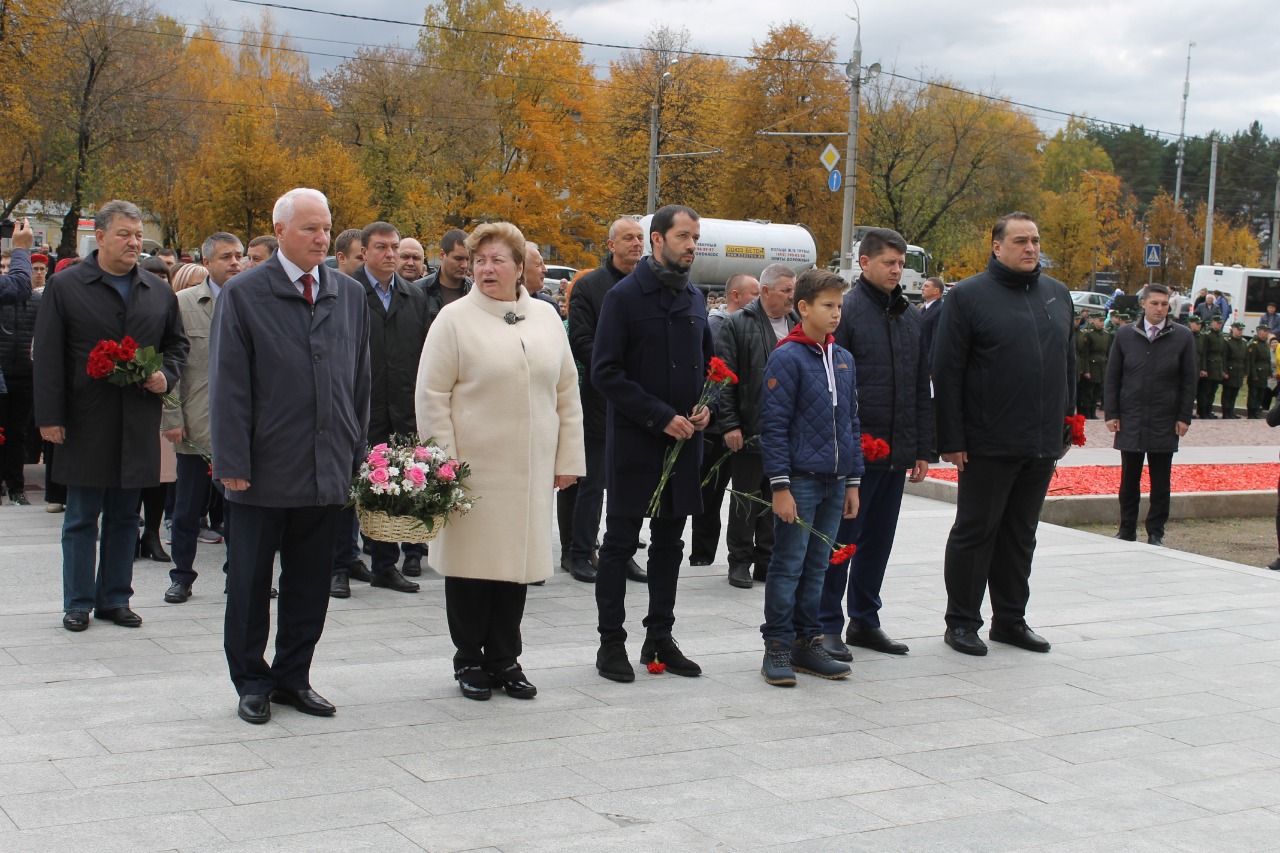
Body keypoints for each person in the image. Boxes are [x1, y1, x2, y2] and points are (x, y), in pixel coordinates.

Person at [210, 188, 370, 724]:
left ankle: (293, 677)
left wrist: (356, 455)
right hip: (262, 470)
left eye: (326, 227)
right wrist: (232, 463)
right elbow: (228, 385)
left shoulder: (348, 294)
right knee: (250, 583)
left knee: (309, 583)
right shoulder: (245, 293)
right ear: (280, 231)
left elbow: (360, 381)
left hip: (327, 467)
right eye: (309, 228)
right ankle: (251, 681)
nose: (322, 238)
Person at [415, 221, 584, 700]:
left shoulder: (545, 317)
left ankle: (506, 658)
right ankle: (469, 659)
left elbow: (567, 391)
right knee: (471, 568)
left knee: (516, 567)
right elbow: (431, 396)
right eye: (479, 261)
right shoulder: (453, 320)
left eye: (497, 260)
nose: (487, 269)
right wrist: (444, 465)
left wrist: (568, 458)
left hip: (529, 470)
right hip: (473, 470)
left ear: (519, 267)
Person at [33, 202, 188, 631]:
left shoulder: (157, 290)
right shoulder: (66, 286)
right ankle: (78, 602)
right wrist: (49, 417)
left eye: (138, 235)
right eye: (124, 234)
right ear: (99, 237)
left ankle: (115, 598)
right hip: (85, 420)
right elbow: (48, 355)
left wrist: (165, 375)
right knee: (82, 517)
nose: (134, 242)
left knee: (125, 516)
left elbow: (177, 346)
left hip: (137, 420)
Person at [931, 211, 1073, 657]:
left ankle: (1010, 620)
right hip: (987, 441)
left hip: (1041, 441)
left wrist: (1067, 422)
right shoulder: (968, 296)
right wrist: (952, 438)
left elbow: (1067, 363)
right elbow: (946, 369)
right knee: (976, 532)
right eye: (1020, 241)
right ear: (996, 246)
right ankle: (962, 622)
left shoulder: (1058, 294)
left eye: (1035, 240)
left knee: (1021, 534)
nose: (1031, 248)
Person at [591, 205, 712, 682]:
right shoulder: (623, 297)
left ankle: (659, 637)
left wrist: (707, 408)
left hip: (684, 445)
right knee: (620, 543)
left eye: (695, 237)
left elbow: (709, 366)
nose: (691, 245)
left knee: (669, 543)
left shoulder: (696, 298)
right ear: (657, 239)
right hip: (636, 442)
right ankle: (610, 643)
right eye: (683, 236)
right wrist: (660, 416)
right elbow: (605, 372)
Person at [820, 228, 931, 660]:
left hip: (895, 452)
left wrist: (921, 448)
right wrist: (843, 447)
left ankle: (865, 620)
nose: (896, 270)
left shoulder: (910, 317)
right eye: (889, 262)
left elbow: (920, 386)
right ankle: (827, 624)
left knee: (878, 542)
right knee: (841, 541)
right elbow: (833, 387)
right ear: (864, 263)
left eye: (900, 263)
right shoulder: (845, 312)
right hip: (855, 453)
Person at [759, 269, 862, 686]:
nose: (836, 313)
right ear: (803, 308)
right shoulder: (787, 357)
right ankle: (777, 646)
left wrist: (853, 480)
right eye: (827, 305)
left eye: (839, 305)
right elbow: (774, 426)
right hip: (799, 480)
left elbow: (851, 421)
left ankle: (807, 642)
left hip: (835, 482)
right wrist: (780, 485)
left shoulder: (843, 358)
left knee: (817, 566)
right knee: (788, 565)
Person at [333, 220, 429, 598]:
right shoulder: (344, 291)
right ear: (364, 252)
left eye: (394, 247)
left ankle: (385, 565)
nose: (390, 254)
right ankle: (340, 565)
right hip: (356, 409)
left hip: (400, 410)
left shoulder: (413, 296)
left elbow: (421, 354)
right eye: (381, 247)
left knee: (392, 487)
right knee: (348, 490)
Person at [161, 232, 242, 603]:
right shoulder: (182, 303)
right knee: (187, 510)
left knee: (239, 509)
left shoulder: (253, 300)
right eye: (226, 256)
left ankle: (239, 575)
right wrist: (172, 416)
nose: (235, 262)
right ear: (206, 262)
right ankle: (182, 576)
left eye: (238, 255)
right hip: (195, 426)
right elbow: (171, 365)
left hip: (239, 428)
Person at [567, 217, 647, 584]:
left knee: (630, 485)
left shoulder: (648, 284)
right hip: (601, 401)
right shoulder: (590, 287)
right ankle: (580, 552)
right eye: (628, 237)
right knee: (593, 482)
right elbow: (581, 341)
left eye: (640, 237)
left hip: (641, 404)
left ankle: (623, 552)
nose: (636, 243)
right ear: (611, 245)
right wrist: (619, 369)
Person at [716, 264, 799, 589]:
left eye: (793, 290)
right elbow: (724, 378)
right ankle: (739, 561)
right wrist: (730, 424)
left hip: (786, 433)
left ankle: (766, 560)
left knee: (775, 495)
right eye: (786, 290)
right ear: (765, 291)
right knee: (745, 500)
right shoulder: (738, 323)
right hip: (749, 429)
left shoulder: (797, 323)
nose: (792, 296)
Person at [1103, 284, 1196, 547]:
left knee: (1161, 481)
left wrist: (1184, 417)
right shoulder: (1125, 335)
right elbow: (1113, 377)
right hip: (1131, 418)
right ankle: (1126, 529)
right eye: (1154, 303)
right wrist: (1112, 413)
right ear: (1143, 304)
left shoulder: (1182, 336)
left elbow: (1189, 381)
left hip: (1164, 418)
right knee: (1129, 480)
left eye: (1164, 304)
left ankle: (1156, 532)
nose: (1159, 309)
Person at [690, 272, 760, 566]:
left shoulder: (756, 325)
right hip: (717, 427)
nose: (759, 298)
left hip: (746, 425)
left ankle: (745, 553)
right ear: (736, 296)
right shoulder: (717, 325)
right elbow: (716, 376)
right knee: (710, 492)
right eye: (755, 293)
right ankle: (702, 554)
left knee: (747, 494)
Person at [0, 220, 36, 505]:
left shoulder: (37, 301)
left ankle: (15, 485)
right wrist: (21, 248)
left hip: (23, 373)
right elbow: (20, 285)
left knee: (17, 432)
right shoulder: (15, 286)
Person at [417, 229, 471, 326]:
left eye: (467, 259)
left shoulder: (475, 290)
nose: (464, 265)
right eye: (458, 259)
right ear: (442, 255)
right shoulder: (418, 291)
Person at [1197, 315, 1227, 418]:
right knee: (1205, 391)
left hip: (1217, 366)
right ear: (1212, 322)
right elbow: (1204, 353)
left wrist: (1222, 369)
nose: (1219, 325)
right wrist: (1204, 368)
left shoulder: (1220, 335)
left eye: (1221, 323)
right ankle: (1203, 412)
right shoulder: (1207, 335)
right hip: (1209, 365)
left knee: (1213, 391)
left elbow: (1222, 354)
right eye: (1218, 323)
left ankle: (1209, 410)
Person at [1221, 321, 1248, 418]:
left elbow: (1245, 359)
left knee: (1234, 393)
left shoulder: (1243, 342)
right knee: (1227, 393)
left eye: (1241, 330)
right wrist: (1224, 371)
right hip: (1230, 370)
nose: (1240, 331)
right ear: (1233, 329)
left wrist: (1245, 372)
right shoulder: (1227, 341)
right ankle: (1226, 412)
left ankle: (1231, 411)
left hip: (1239, 370)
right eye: (1238, 329)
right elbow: (1224, 358)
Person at [1248, 326, 1273, 418]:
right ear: (1259, 331)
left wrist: (1269, 373)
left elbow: (1268, 360)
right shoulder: (1254, 344)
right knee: (1253, 394)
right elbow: (1251, 361)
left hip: (1264, 373)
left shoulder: (1266, 344)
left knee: (1261, 394)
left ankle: (1257, 411)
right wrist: (1253, 374)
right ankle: (1251, 412)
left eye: (1267, 331)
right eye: (1264, 331)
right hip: (1256, 373)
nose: (1266, 333)